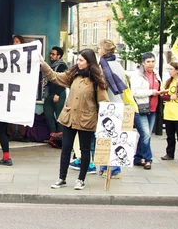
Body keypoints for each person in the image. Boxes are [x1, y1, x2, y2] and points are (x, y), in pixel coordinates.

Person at [40, 48, 109, 191]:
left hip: (86, 120)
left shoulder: (96, 80)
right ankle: (62, 178)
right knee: (65, 149)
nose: (78, 63)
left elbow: (104, 102)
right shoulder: (73, 75)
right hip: (69, 118)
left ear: (89, 62)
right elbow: (54, 77)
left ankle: (81, 180)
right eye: (78, 60)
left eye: (81, 60)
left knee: (84, 150)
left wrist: (107, 122)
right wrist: (42, 63)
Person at [97, 39, 128, 177]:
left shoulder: (103, 67)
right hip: (117, 103)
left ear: (103, 51)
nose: (98, 51)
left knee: (108, 139)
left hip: (109, 105)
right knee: (111, 138)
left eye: (99, 49)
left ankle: (113, 169)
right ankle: (106, 167)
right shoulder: (118, 65)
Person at [130, 52, 162, 170]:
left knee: (145, 135)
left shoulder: (156, 74)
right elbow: (135, 92)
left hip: (153, 108)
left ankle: (138, 157)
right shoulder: (137, 75)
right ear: (143, 63)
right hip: (141, 107)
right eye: (148, 62)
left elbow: (159, 88)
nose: (151, 64)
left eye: (153, 61)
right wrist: (151, 92)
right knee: (146, 134)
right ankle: (148, 159)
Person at [43, 46, 68, 134]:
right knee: (47, 111)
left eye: (53, 54)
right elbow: (53, 80)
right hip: (51, 93)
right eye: (51, 54)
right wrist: (47, 83)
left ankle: (60, 136)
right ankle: (53, 134)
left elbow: (64, 81)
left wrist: (57, 94)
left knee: (59, 115)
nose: (51, 56)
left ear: (59, 56)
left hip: (59, 93)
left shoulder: (62, 66)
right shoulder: (52, 66)